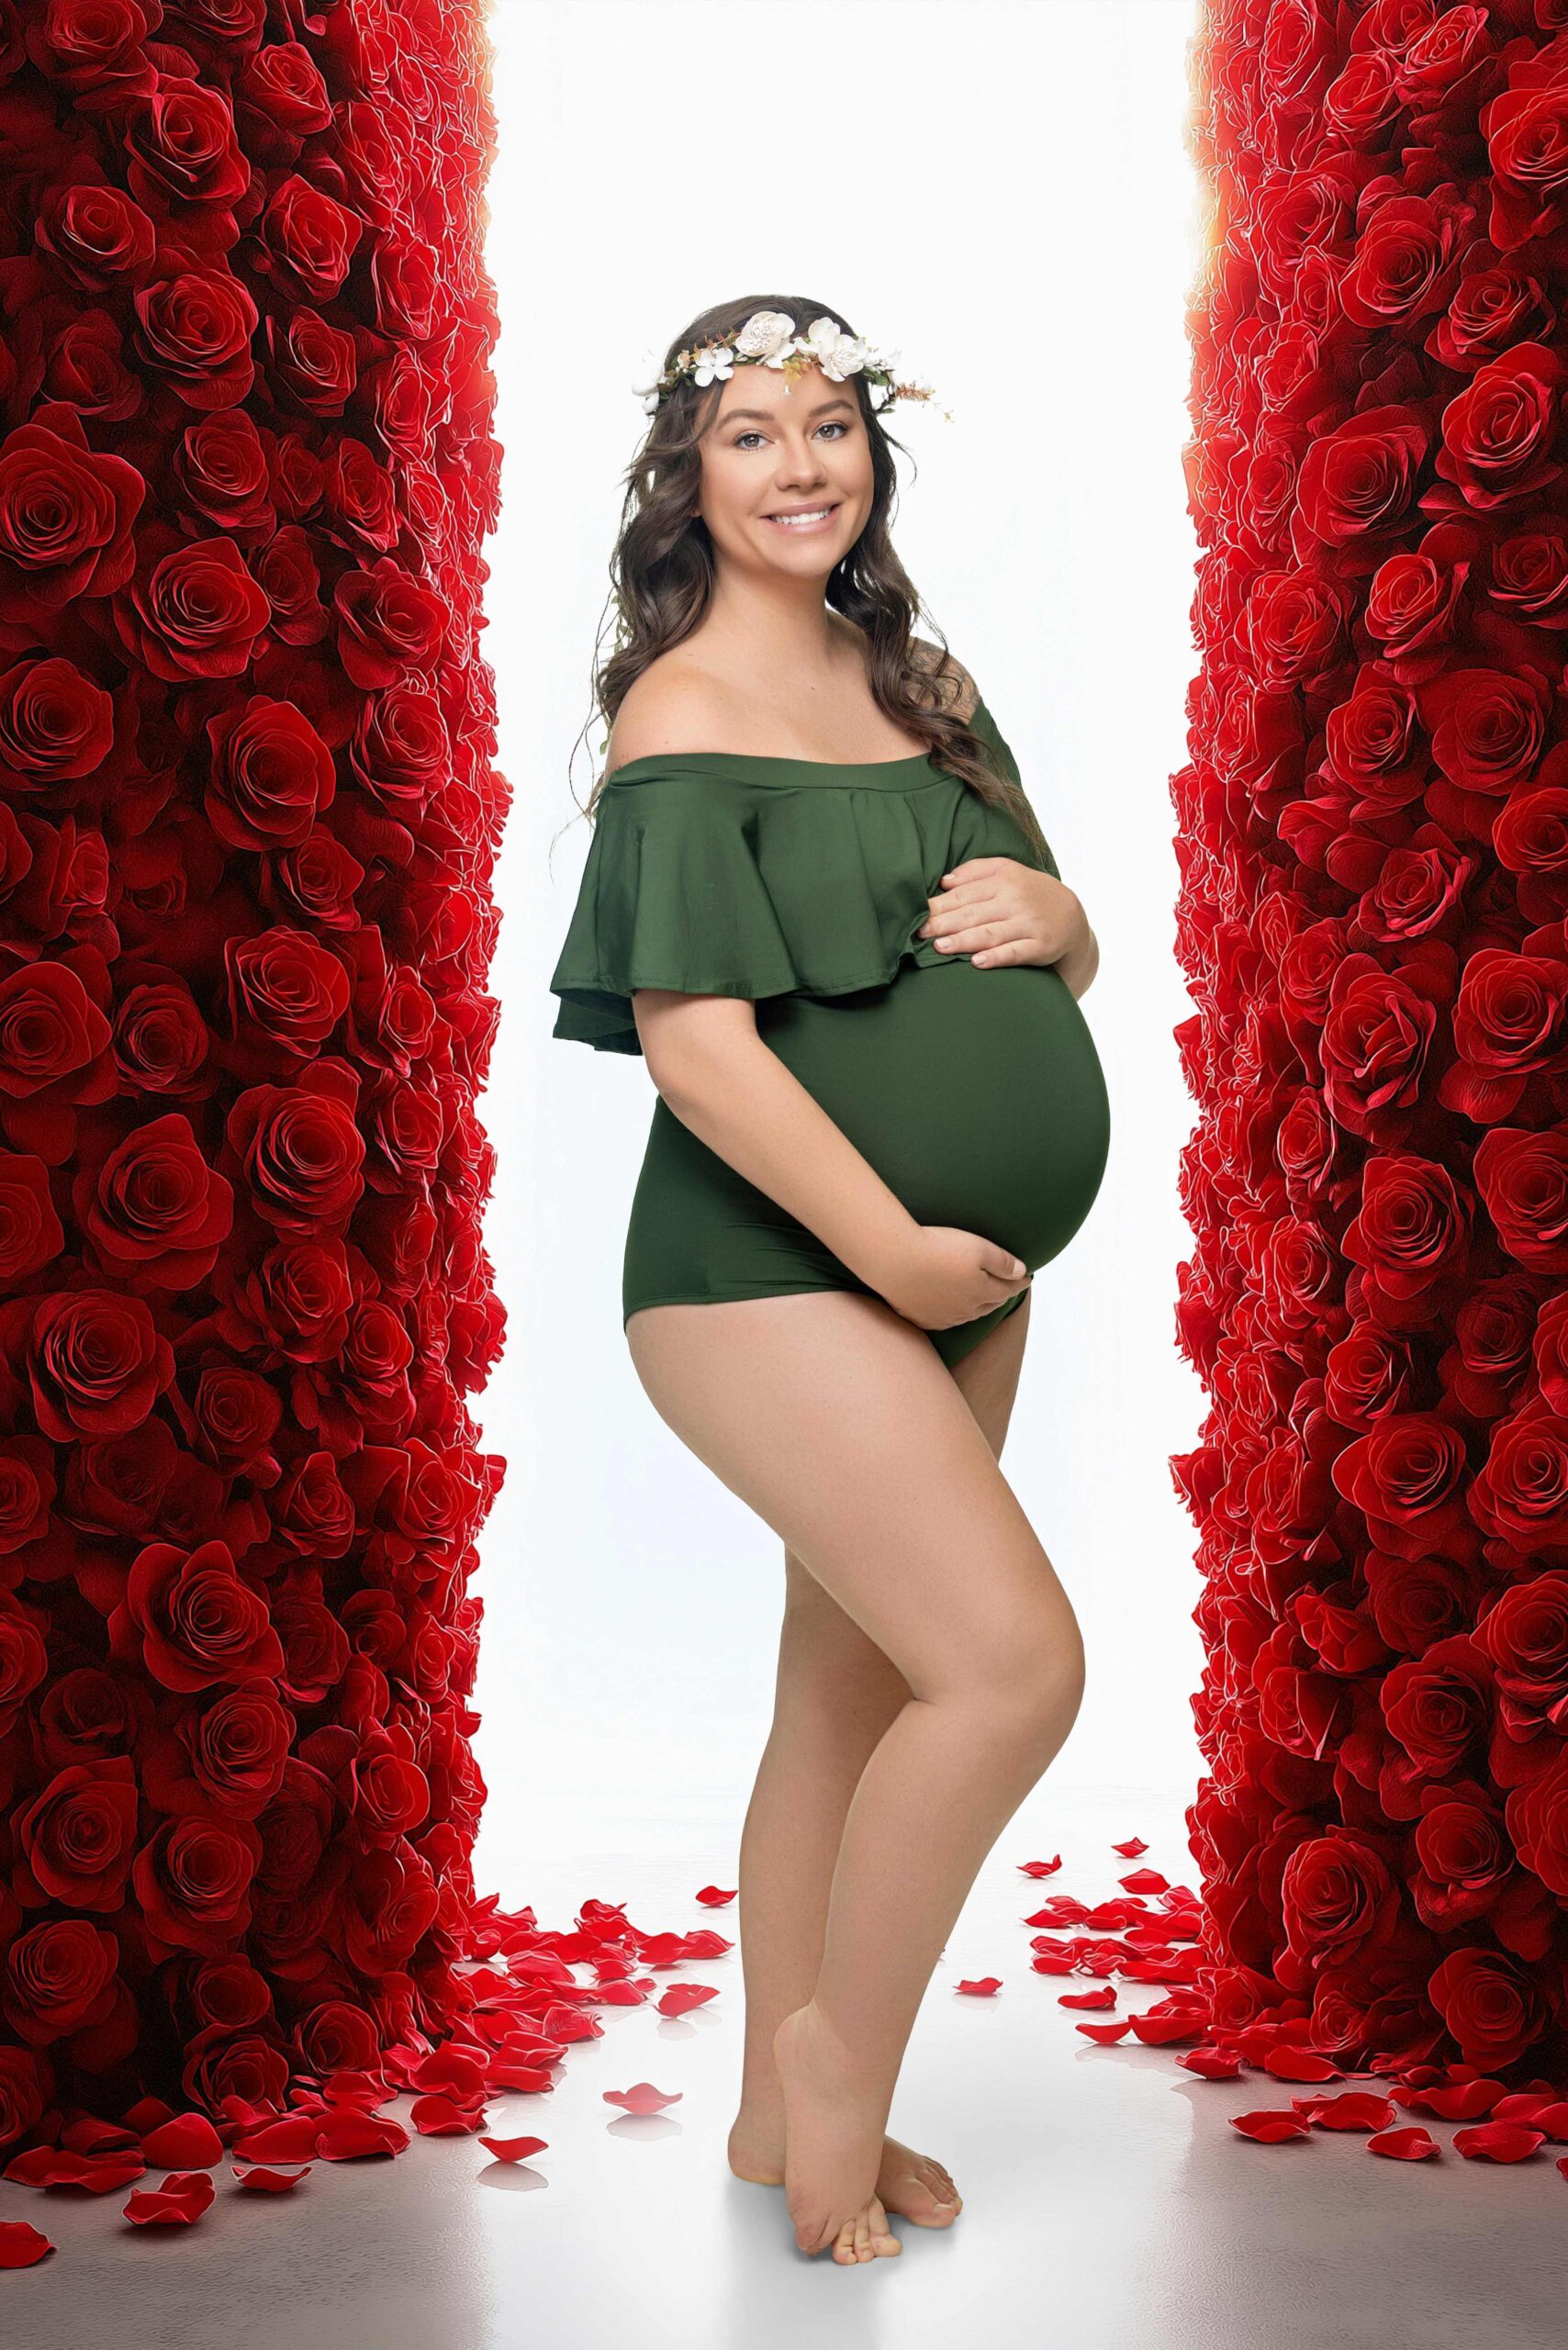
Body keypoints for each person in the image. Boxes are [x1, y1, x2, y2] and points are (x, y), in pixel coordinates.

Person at [548, 297, 1110, 2266]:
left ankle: (772, 2110)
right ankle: (839, 2054)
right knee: (1013, 1664)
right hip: (766, 1267)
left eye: (830, 427)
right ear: (683, 483)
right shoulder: (681, 714)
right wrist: (887, 1247)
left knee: (851, 1691)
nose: (801, 466)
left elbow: (1059, 937)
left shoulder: (923, 682)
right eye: (748, 436)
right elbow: (696, 1046)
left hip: (957, 1269)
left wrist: (1062, 914)